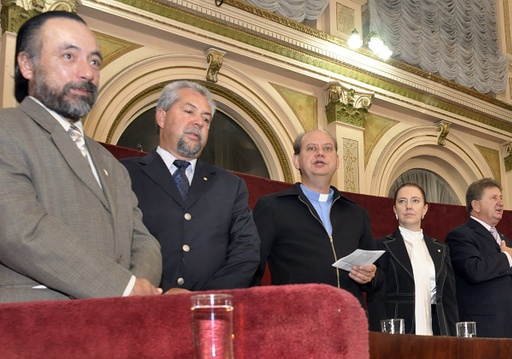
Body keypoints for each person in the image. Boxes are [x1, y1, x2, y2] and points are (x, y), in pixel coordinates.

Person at [0, 11, 161, 303]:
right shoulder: (7, 130)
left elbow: (144, 241)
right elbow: (18, 229)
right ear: (27, 64)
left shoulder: (110, 163)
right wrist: (123, 287)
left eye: (95, 61)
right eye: (69, 56)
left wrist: (141, 291)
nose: (87, 72)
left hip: (120, 325)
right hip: (34, 329)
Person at [121, 81, 260, 292]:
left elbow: (246, 251)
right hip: (146, 306)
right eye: (189, 111)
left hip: (212, 310)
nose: (199, 122)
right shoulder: (124, 174)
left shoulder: (230, 186)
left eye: (206, 118)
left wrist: (205, 299)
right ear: (161, 117)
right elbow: (116, 244)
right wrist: (161, 293)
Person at [251, 129, 376, 305]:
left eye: (327, 148)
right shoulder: (273, 207)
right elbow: (251, 267)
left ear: (337, 161)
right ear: (297, 160)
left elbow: (377, 274)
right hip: (298, 318)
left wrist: (370, 275)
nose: (320, 153)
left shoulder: (357, 213)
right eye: (311, 148)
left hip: (350, 319)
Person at [368, 183, 459, 335]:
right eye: (402, 201)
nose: (408, 206)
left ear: (425, 209)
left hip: (436, 332)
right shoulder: (380, 246)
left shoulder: (441, 249)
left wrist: (453, 336)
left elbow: (449, 299)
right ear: (395, 210)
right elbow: (375, 295)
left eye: (415, 200)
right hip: (397, 335)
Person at [445, 178, 512, 338]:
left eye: (501, 198)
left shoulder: (506, 240)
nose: (500, 203)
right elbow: (474, 270)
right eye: (493, 198)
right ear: (475, 205)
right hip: (484, 330)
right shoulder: (460, 235)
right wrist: (506, 258)